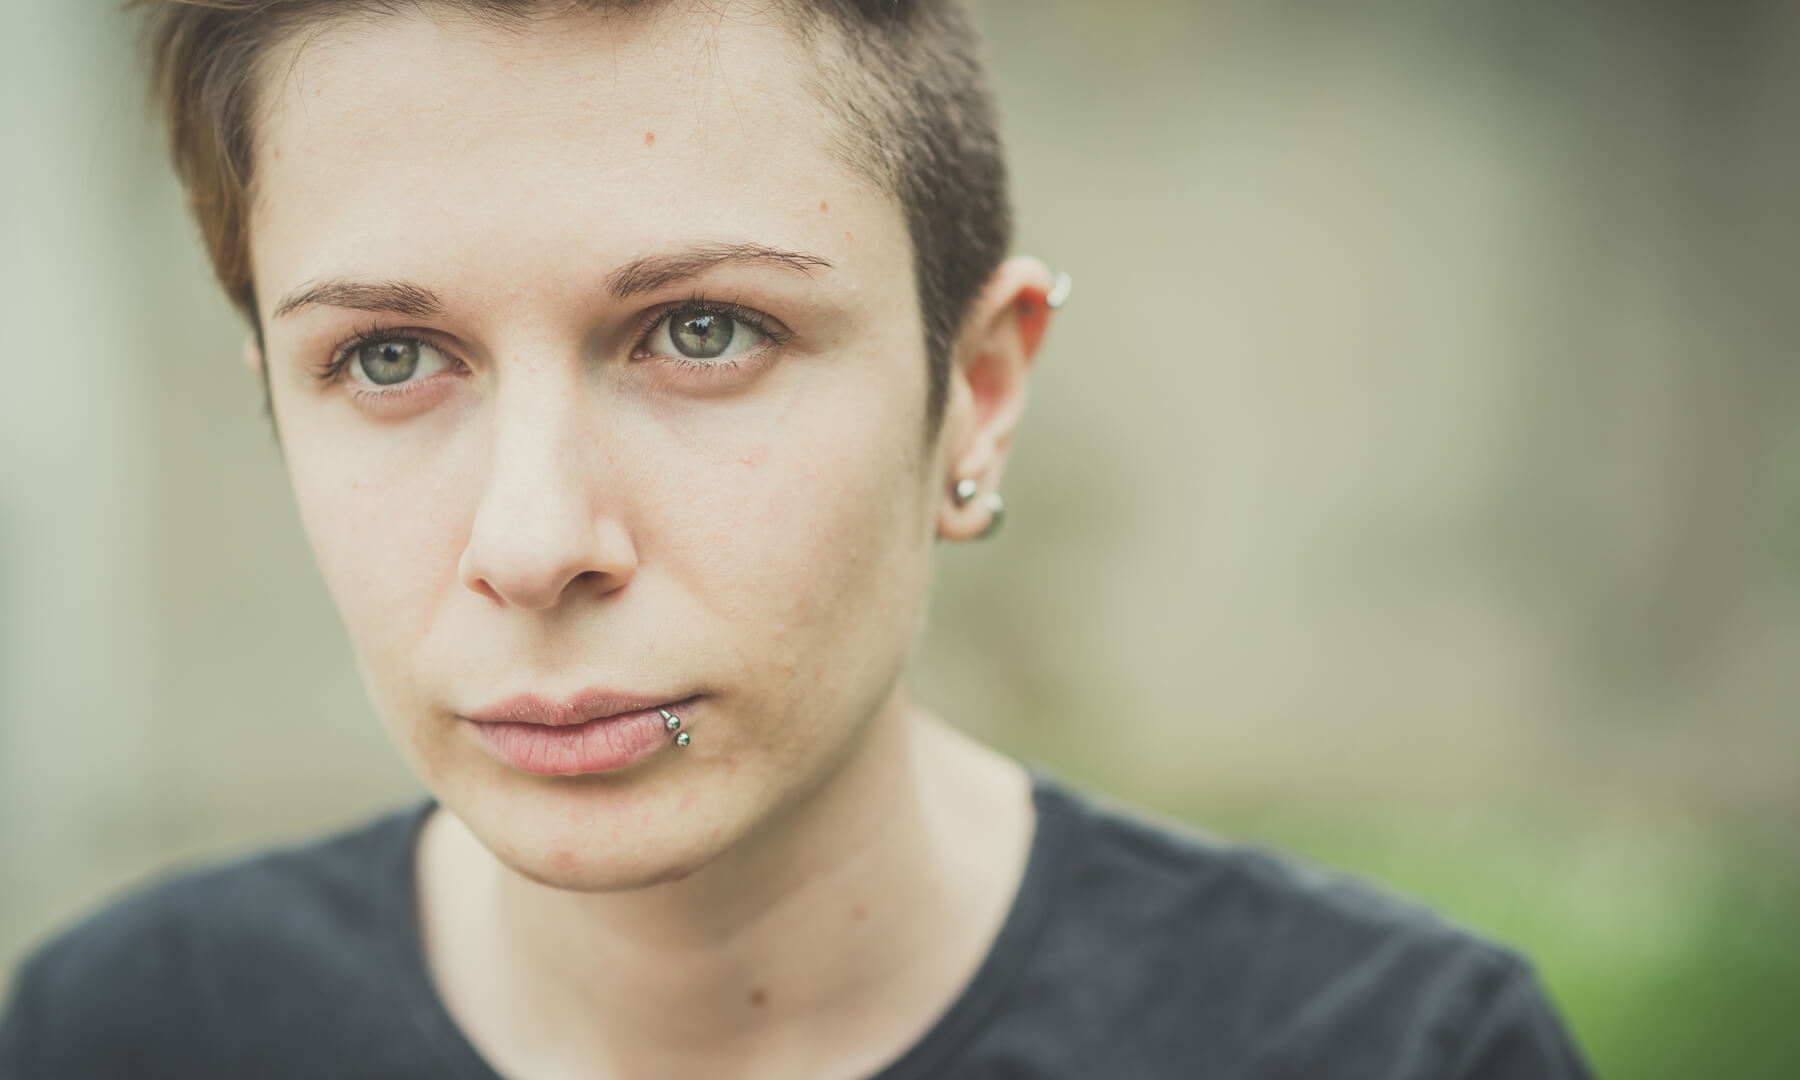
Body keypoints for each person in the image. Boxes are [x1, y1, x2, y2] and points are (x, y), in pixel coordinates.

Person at [0, 2, 1596, 1077]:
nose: (538, 539)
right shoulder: (126, 1031)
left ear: (974, 394)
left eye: (703, 331)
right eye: (389, 359)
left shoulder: (1388, 1053)